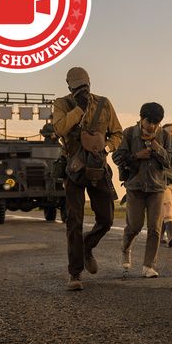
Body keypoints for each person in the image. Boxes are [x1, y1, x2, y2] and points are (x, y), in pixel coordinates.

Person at [52, 67, 122, 291]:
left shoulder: (104, 103)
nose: (83, 89)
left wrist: (106, 147)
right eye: (77, 86)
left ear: (90, 83)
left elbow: (118, 133)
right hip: (73, 167)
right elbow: (59, 128)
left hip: (98, 165)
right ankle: (75, 273)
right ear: (69, 87)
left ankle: (86, 245)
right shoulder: (62, 104)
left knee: (107, 218)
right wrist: (79, 109)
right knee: (74, 221)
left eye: (85, 85)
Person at [113, 103, 172, 278]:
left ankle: (149, 266)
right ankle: (125, 248)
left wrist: (158, 148)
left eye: (156, 123)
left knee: (155, 228)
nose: (152, 126)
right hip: (135, 187)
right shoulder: (129, 133)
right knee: (134, 226)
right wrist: (136, 156)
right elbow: (117, 157)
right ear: (141, 118)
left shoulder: (164, 136)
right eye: (149, 122)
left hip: (157, 188)